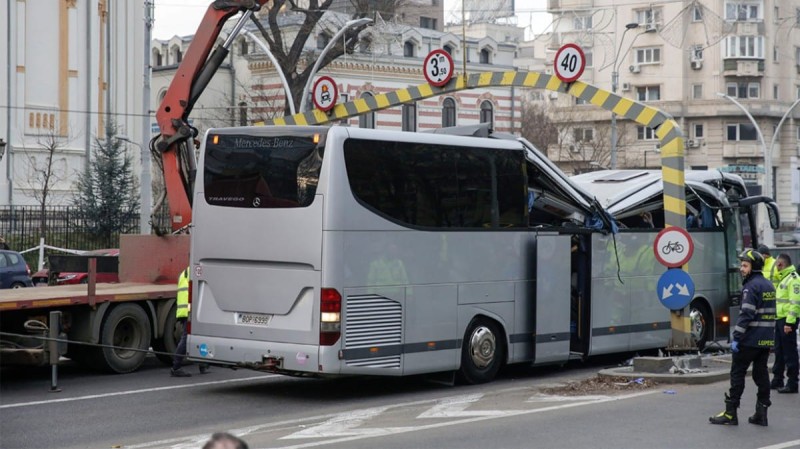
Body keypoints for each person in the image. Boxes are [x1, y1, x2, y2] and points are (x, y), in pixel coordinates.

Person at [709, 249, 775, 426]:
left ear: (754, 268)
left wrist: (736, 336)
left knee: (737, 374)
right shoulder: (768, 285)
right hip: (765, 341)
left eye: (745, 265)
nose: (741, 269)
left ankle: (730, 413)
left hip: (749, 340)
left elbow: (746, 313)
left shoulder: (750, 287)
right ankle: (761, 413)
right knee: (761, 376)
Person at [171, 266, 209, 377]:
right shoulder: (195, 271)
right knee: (186, 338)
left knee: (199, 337)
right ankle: (176, 367)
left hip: (185, 310)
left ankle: (202, 364)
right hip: (189, 310)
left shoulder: (185, 272)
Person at [770, 253, 799, 393]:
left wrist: (789, 323)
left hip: (787, 320)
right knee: (779, 351)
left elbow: (795, 304)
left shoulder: (793, 279)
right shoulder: (784, 278)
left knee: (789, 352)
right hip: (780, 319)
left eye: (776, 265)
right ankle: (778, 379)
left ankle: (792, 383)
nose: (775, 267)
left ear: (780, 265)